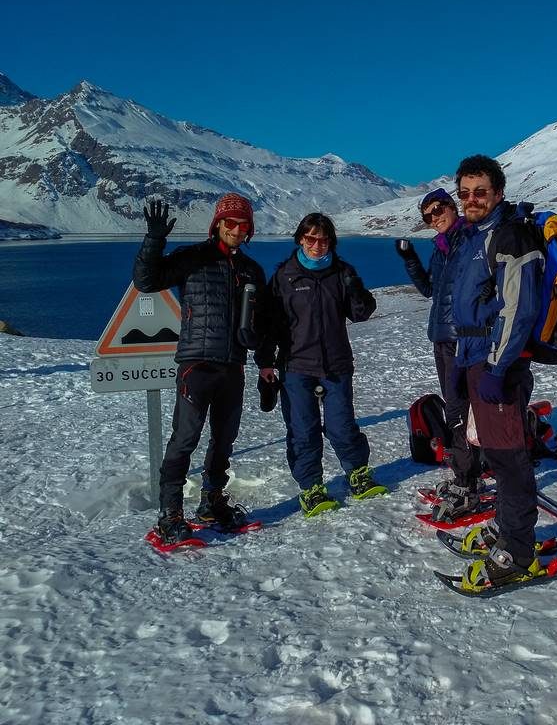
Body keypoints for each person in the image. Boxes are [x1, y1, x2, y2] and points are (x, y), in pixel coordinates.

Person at [133, 193, 267, 543]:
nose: (237, 230)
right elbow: (146, 281)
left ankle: (212, 502)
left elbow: (263, 323)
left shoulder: (252, 270)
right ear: (218, 224)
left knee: (224, 440)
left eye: (243, 225)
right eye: (231, 223)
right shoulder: (192, 258)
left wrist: (267, 365)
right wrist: (154, 240)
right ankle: (170, 513)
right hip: (197, 365)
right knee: (185, 439)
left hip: (233, 367)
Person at [443, 154, 546, 588]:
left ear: (498, 193)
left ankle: (518, 554)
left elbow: (517, 308)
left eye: (480, 192)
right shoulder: (475, 236)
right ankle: (508, 531)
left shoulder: (510, 236)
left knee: (510, 459)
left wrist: (497, 367)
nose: (471, 200)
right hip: (475, 357)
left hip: (497, 363)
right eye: (464, 193)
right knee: (497, 457)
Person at [255, 213, 385, 517]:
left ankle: (358, 473)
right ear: (301, 239)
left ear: (331, 242)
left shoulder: (342, 272)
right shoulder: (285, 277)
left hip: (336, 364)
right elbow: (269, 323)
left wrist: (354, 288)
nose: (317, 245)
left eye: (323, 239)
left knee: (342, 425)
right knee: (303, 429)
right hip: (296, 365)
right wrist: (264, 362)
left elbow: (362, 313)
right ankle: (311, 487)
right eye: (311, 238)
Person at [394, 188, 476, 467]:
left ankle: (467, 466)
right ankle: (468, 458)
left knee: (458, 403)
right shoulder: (442, 248)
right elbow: (430, 289)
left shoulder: (469, 239)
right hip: (441, 335)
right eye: (428, 217)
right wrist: (410, 260)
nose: (434, 219)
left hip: (462, 337)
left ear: (452, 206)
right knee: (454, 401)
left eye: (438, 211)